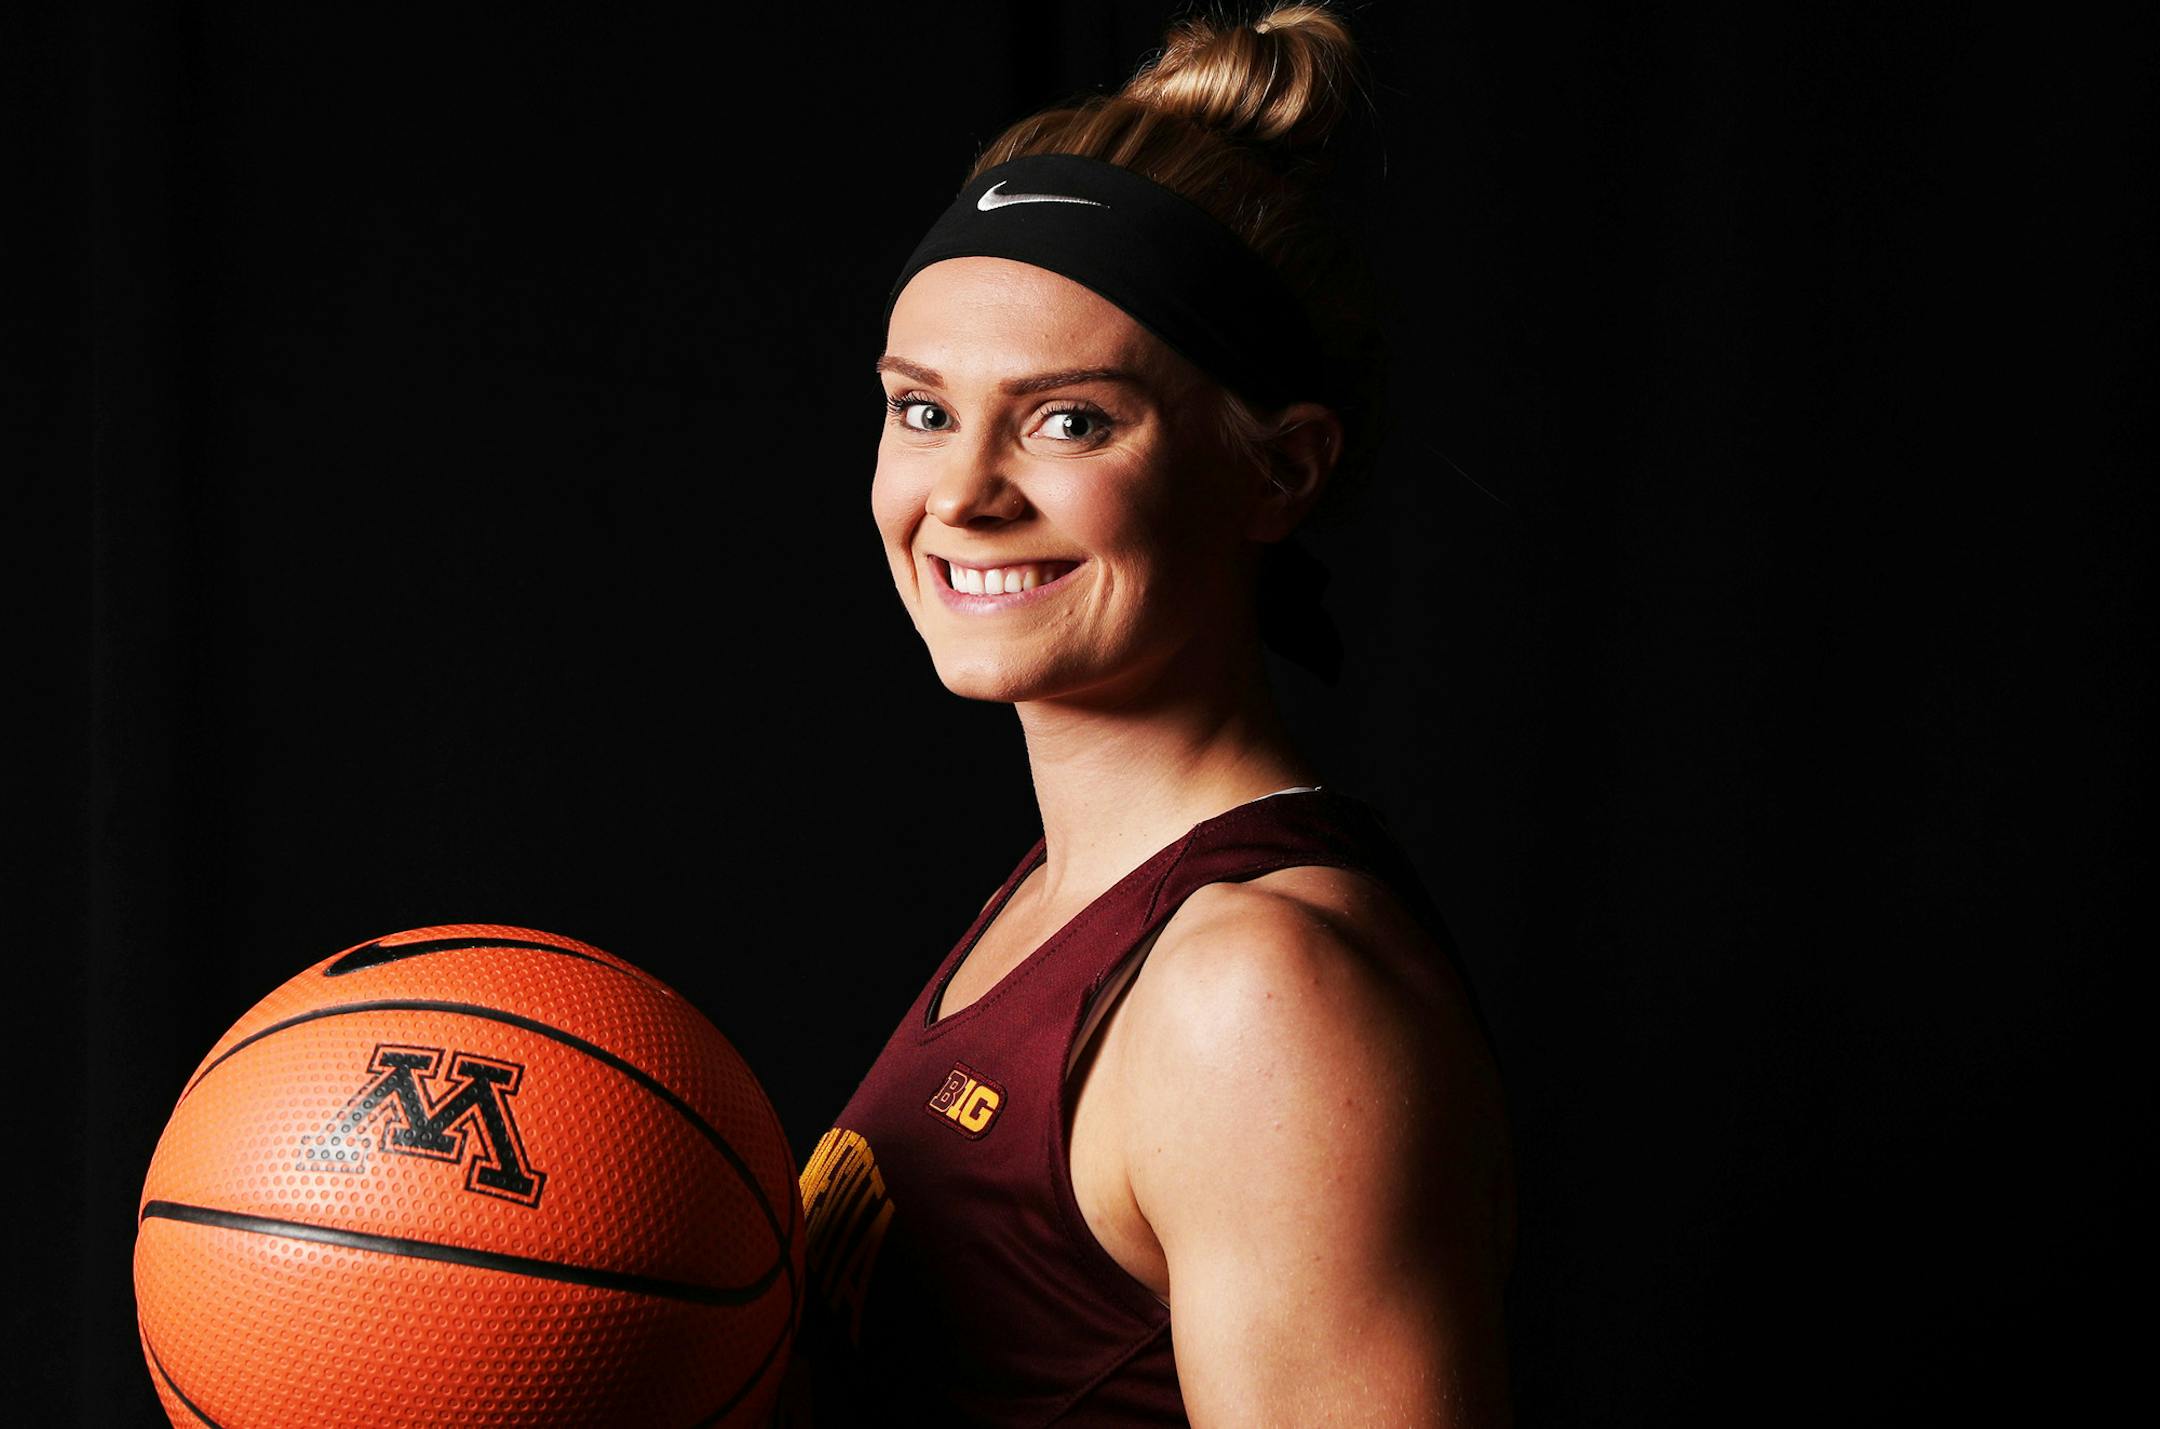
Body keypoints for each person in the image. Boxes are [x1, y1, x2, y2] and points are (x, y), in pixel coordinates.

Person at [788, 6, 1513, 1423]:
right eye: (922, 410)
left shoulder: (1252, 995)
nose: (965, 494)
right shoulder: (1066, 904)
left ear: (1279, 473)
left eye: (1070, 420)